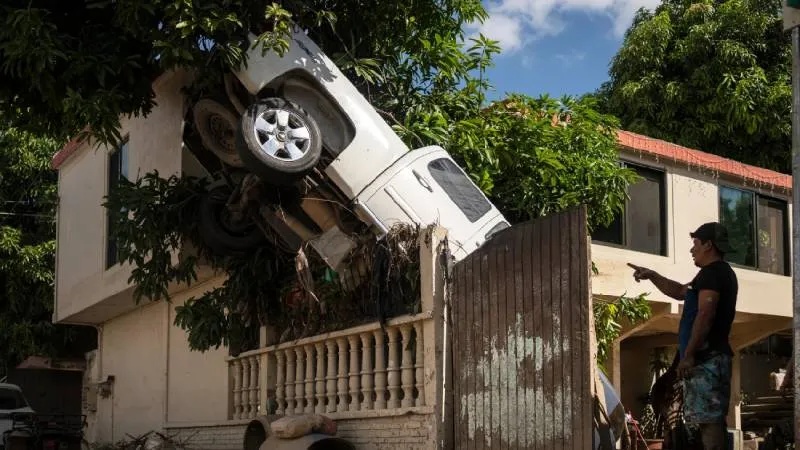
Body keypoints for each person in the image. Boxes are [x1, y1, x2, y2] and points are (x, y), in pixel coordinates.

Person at [627, 222, 738, 450]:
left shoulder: (714, 274)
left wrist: (688, 355)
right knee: (703, 421)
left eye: (695, 244)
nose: (691, 249)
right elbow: (679, 291)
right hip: (706, 358)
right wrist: (653, 275)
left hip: (708, 359)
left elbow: (705, 315)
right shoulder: (708, 276)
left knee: (709, 423)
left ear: (708, 245)